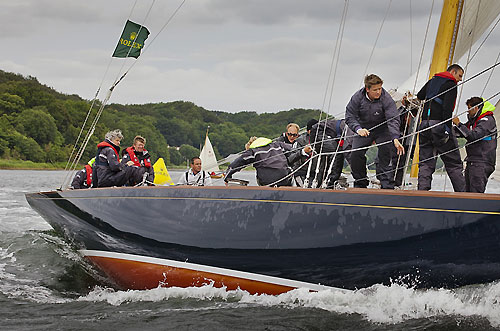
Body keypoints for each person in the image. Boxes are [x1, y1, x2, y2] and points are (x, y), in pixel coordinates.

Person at [345, 74, 404, 189]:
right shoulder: (357, 97)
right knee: (355, 153)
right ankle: (360, 182)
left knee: (386, 151)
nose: (378, 92)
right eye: (375, 90)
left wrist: (395, 137)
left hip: (383, 130)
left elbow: (393, 118)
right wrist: (358, 129)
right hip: (363, 129)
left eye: (380, 88)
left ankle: (386, 185)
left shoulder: (386, 98)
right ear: (367, 89)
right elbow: (349, 116)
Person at [416, 64, 466, 192]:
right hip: (439, 125)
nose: (460, 79)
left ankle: (422, 192)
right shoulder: (451, 84)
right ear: (453, 72)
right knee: (453, 162)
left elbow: (420, 95)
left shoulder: (433, 80)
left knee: (425, 162)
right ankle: (463, 194)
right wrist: (448, 130)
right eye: (459, 76)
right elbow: (447, 109)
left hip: (424, 125)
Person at [453, 97, 497, 193]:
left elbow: (473, 135)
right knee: (467, 192)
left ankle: (476, 208)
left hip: (481, 163)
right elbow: (463, 132)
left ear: (476, 108)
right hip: (473, 161)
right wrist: (448, 130)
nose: (468, 112)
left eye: (469, 109)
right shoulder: (476, 121)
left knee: (475, 193)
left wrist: (458, 124)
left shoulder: (486, 121)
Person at [225, 136, 300, 187]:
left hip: (267, 181)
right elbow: (294, 150)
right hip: (284, 179)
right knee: (289, 170)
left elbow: (239, 162)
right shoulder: (277, 145)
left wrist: (228, 174)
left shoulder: (253, 151)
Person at [309, 118, 352, 187]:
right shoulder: (351, 130)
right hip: (318, 132)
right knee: (337, 153)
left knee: (329, 156)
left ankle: (322, 182)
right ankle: (330, 182)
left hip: (329, 136)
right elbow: (348, 152)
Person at [286, 119, 316, 186]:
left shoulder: (322, 141)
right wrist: (303, 152)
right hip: (300, 173)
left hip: (314, 173)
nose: (292, 137)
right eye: (289, 134)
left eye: (294, 135)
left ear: (297, 135)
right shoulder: (299, 141)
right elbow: (290, 159)